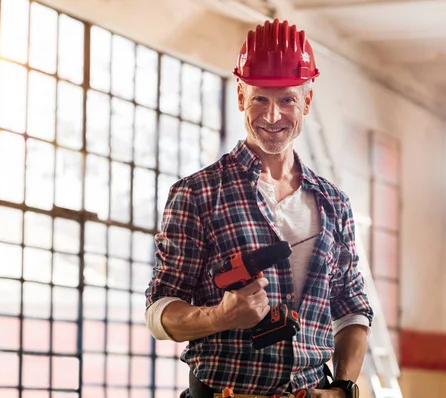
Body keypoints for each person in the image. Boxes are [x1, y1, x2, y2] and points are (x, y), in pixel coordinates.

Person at [145, 18, 373, 398]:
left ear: (308, 100)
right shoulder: (198, 193)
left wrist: (345, 387)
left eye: (287, 99)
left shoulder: (334, 203)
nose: (272, 117)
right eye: (259, 100)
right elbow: (159, 312)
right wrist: (221, 316)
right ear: (239, 96)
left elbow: (351, 308)